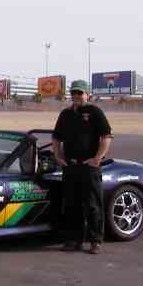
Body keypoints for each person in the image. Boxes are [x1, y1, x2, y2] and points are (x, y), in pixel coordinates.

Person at [52, 80, 113, 255]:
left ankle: (95, 241)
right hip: (70, 167)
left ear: (87, 95)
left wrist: (97, 158)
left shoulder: (95, 112)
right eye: (74, 93)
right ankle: (73, 240)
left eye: (80, 93)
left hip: (89, 167)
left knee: (93, 205)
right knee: (72, 205)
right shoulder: (65, 114)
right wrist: (58, 156)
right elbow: (56, 138)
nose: (76, 96)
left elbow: (106, 136)